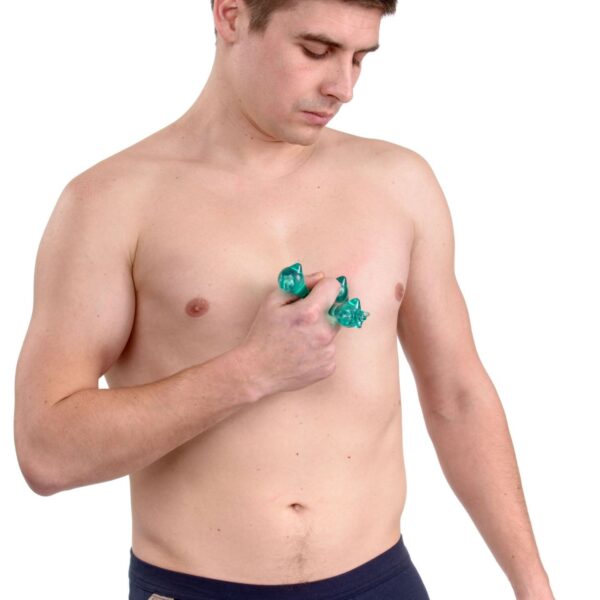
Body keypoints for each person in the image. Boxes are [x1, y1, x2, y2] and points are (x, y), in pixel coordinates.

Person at [14, 0, 555, 598]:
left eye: (360, 58)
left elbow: (457, 397)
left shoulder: (400, 183)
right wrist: (250, 371)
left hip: (381, 582)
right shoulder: (109, 203)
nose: (343, 87)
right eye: (316, 51)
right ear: (231, 16)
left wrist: (533, 585)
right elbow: (46, 453)